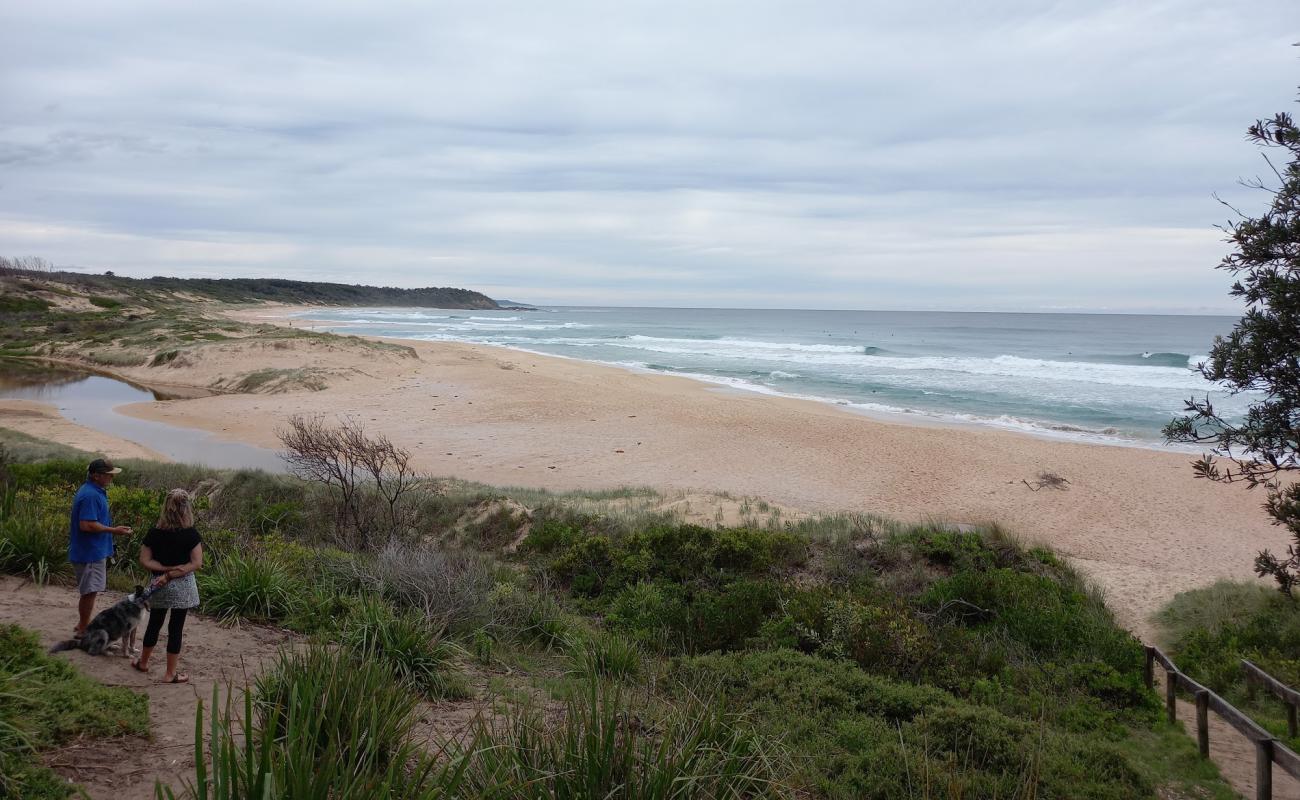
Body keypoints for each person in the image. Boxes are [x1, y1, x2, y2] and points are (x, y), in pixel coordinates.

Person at [132, 489, 203, 684]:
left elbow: (145, 560)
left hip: (159, 584)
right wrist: (173, 573)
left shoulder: (155, 533)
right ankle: (170, 673)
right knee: (176, 628)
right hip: (184, 586)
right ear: (186, 508)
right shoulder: (191, 534)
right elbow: (196, 563)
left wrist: (164, 572)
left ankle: (144, 663)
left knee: (155, 622)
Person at [69, 458, 134, 637]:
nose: (111, 478)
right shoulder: (90, 495)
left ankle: (82, 624)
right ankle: (83, 629)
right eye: (108, 475)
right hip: (89, 552)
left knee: (90, 590)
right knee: (89, 591)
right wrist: (114, 530)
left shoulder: (94, 491)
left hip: (92, 550)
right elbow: (86, 524)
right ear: (96, 476)